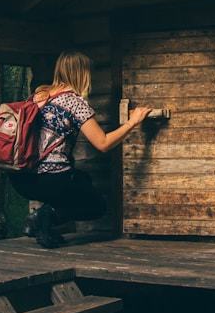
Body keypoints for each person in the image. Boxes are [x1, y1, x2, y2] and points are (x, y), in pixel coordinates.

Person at [11, 50, 152, 248]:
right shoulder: (75, 103)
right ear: (82, 74)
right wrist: (132, 123)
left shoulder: (38, 95)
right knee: (96, 206)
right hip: (49, 179)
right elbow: (103, 144)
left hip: (20, 178)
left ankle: (42, 221)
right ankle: (45, 216)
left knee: (82, 180)